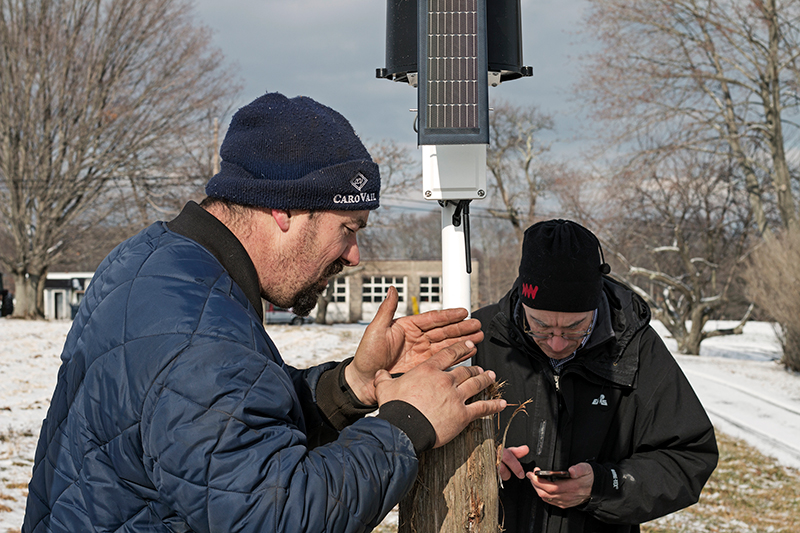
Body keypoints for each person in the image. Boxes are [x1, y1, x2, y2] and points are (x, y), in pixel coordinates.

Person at [23, 93, 505, 533]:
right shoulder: (200, 334)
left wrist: (354, 383)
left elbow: (224, 432)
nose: (354, 255)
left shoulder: (156, 261)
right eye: (347, 228)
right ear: (283, 210)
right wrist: (408, 422)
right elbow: (275, 514)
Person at [473, 219, 718, 533]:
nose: (557, 343)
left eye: (575, 328)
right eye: (540, 326)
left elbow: (689, 456)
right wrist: (481, 457)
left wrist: (604, 485)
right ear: (522, 300)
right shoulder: (482, 337)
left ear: (596, 307)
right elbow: (427, 435)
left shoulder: (635, 347)